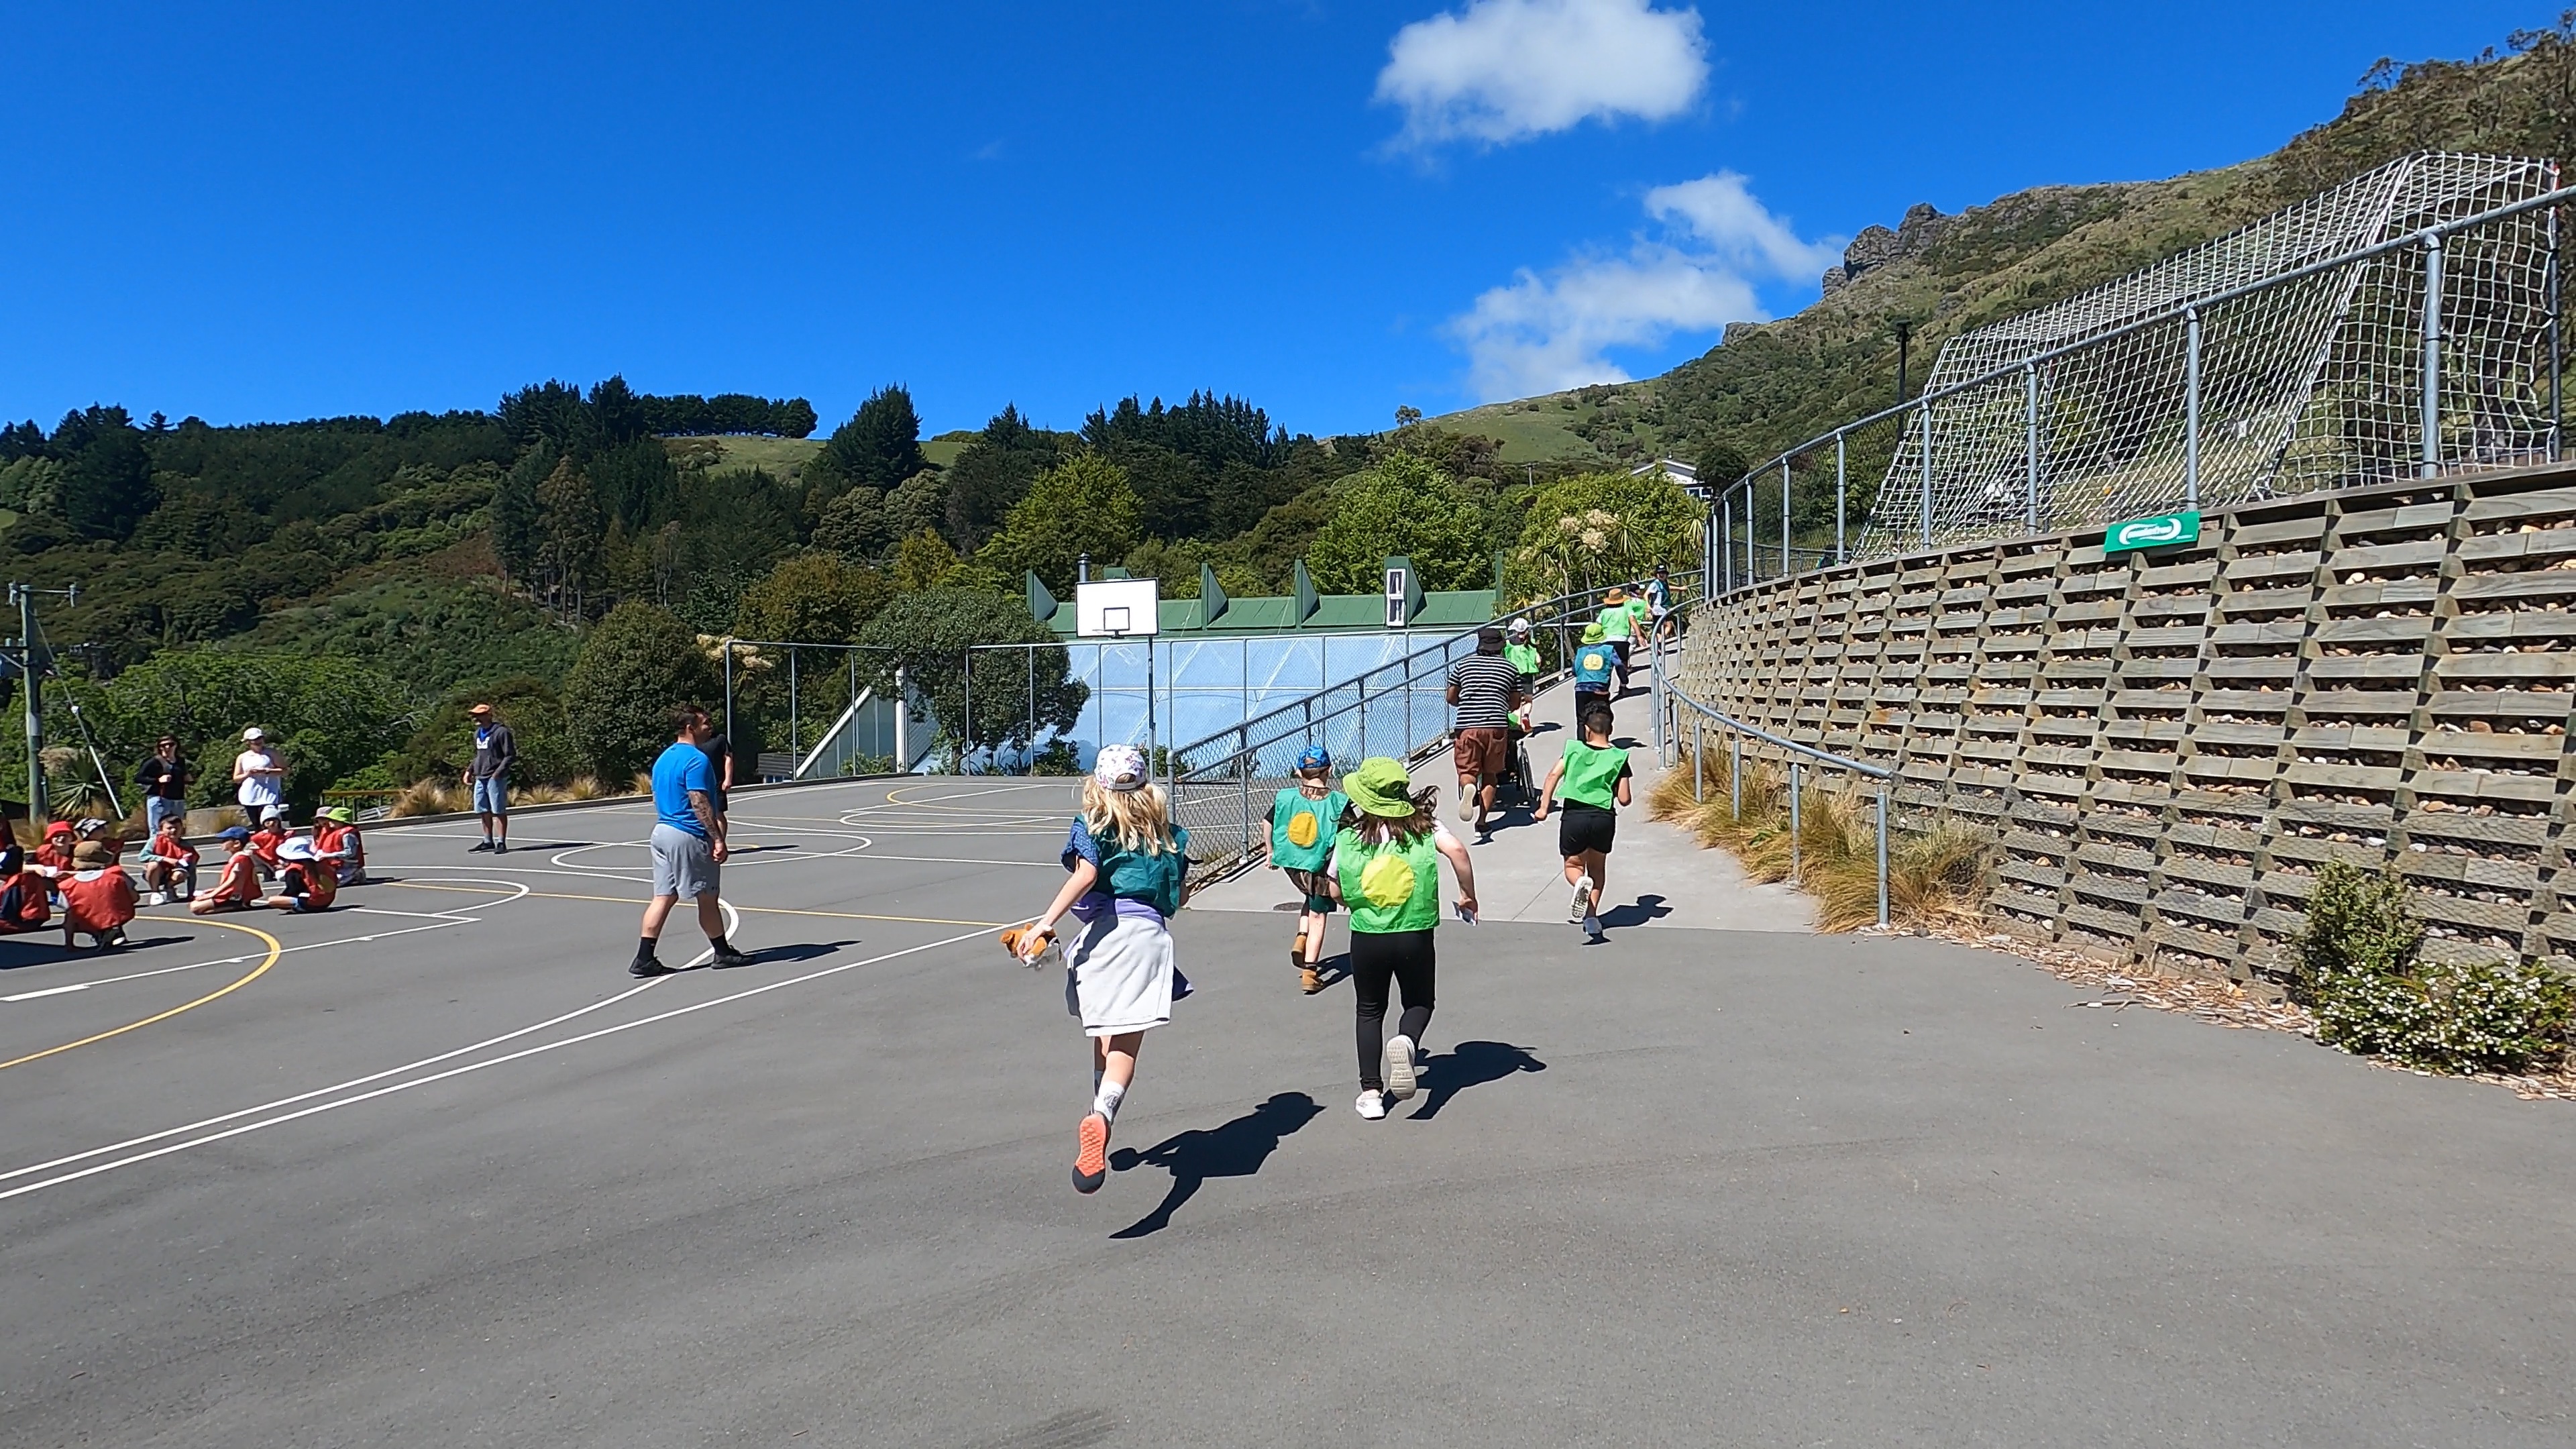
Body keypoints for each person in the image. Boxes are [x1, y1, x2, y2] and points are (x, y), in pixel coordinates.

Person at [1018, 744, 1190, 1195]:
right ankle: (1103, 1115)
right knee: (1126, 1045)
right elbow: (1179, 897)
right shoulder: (1169, 836)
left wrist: (1044, 923)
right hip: (1145, 938)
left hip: (1100, 939)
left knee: (1104, 1032)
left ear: (1098, 785)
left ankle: (1098, 1109)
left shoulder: (1092, 827)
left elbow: (1086, 875)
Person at [1327, 757, 1477, 1121]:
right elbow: (1457, 850)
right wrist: (1467, 894)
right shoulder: (1426, 827)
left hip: (1368, 935)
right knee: (1420, 1001)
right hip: (1415, 932)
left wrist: (1352, 899)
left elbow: (1334, 889)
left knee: (1369, 1010)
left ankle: (1371, 1094)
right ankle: (1407, 1041)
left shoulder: (1349, 837)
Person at [631, 704, 749, 977]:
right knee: (707, 896)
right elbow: (699, 801)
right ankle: (722, 952)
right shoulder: (697, 760)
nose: (710, 727)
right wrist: (717, 839)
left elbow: (657, 796)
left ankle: (644, 957)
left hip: (663, 831)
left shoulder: (664, 759)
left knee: (664, 895)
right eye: (705, 723)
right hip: (688, 834)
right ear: (690, 728)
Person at [1532, 702, 1634, 941]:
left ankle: (1579, 883)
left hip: (1574, 816)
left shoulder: (1573, 750)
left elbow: (1553, 775)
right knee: (1597, 869)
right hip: (1603, 818)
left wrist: (1543, 808)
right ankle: (1591, 918)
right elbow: (1625, 799)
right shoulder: (1619, 757)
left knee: (1573, 865)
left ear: (1587, 729)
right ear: (1611, 729)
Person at [1269, 744, 1346, 996]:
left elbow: (1267, 823)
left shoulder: (1287, 797)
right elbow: (1348, 835)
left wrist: (1270, 851)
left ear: (1299, 772)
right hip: (1321, 865)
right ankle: (1311, 971)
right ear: (1329, 770)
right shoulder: (1338, 802)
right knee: (1319, 916)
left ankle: (1302, 936)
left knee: (1309, 898)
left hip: (1294, 863)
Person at [1444, 626, 1523, 837]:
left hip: (1468, 726)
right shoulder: (1510, 668)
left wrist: (1465, 703)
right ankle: (1482, 823)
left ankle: (1469, 787)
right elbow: (1515, 703)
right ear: (1501, 646)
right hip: (1496, 726)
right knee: (1490, 776)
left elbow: (1451, 697)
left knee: (1467, 772)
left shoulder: (1463, 666)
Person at [58, 839, 137, 949]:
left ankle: (70, 944)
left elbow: (65, 906)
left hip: (86, 921)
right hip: (119, 916)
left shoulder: (67, 885)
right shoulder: (117, 876)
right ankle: (112, 929)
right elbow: (135, 897)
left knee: (70, 914)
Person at [467, 702, 516, 855]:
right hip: (481, 776)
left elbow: (510, 755)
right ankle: (488, 841)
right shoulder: (477, 734)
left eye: (479, 715)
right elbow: (479, 755)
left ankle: (501, 842)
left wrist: (498, 773)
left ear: (488, 715)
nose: (476, 718)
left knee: (498, 810)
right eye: (474, 716)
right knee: (483, 810)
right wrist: (469, 770)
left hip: (495, 777)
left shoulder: (501, 732)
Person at [190, 827, 265, 914]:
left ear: (237, 844)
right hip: (231, 893)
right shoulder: (237, 858)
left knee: (195, 907)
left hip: (234, 896)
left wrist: (212, 894)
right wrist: (213, 890)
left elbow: (232, 880)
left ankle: (236, 904)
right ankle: (231, 905)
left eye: (225, 840)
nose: (221, 843)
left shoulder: (240, 859)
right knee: (196, 904)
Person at [259, 835, 338, 913]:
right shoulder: (318, 864)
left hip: (311, 903)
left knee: (273, 900)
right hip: (327, 901)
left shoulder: (294, 869)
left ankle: (300, 907)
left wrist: (282, 896)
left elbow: (293, 890)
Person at [135, 736, 191, 841]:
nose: (167, 747)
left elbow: (184, 776)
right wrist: (158, 780)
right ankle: (156, 849)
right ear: (159, 747)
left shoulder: (180, 761)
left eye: (171, 744)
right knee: (158, 831)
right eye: (163, 745)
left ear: (176, 745)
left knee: (176, 830)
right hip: (160, 799)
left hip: (178, 800)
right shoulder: (154, 762)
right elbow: (138, 778)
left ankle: (172, 849)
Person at [140, 813, 197, 904]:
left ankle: (169, 888)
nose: (173, 830)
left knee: (181, 874)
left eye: (177, 828)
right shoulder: (155, 841)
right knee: (153, 865)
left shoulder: (187, 847)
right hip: (156, 873)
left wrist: (191, 893)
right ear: (161, 830)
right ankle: (155, 892)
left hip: (173, 873)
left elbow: (192, 871)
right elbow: (142, 856)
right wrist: (165, 859)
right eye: (169, 828)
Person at [233, 727, 284, 824]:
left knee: (271, 823)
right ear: (248, 742)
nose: (258, 741)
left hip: (269, 795)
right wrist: (248, 774)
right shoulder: (243, 757)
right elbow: (236, 779)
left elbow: (284, 770)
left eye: (260, 738)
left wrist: (267, 771)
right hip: (250, 796)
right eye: (254, 740)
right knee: (257, 825)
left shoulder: (271, 753)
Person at [0, 845, 52, 935]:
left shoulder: (15, 882)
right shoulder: (26, 878)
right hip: (33, 919)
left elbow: (7, 913)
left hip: (21, 921)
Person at [311, 805, 366, 886]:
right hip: (336, 865)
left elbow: (350, 853)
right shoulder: (332, 832)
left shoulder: (348, 834)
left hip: (349, 865)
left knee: (334, 883)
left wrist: (327, 855)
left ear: (340, 821)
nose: (330, 822)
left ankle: (356, 873)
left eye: (333, 820)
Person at [1571, 623, 1616, 716]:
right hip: (1600, 687)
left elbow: (1575, 670)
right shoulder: (1608, 650)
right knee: (1603, 716)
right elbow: (1619, 664)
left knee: (1581, 718)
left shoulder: (1580, 651)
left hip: (1581, 688)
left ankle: (1582, 726)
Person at [1597, 588, 1637, 692]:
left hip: (1605, 640)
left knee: (1607, 665)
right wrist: (1640, 635)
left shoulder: (1604, 612)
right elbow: (1633, 620)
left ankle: (1604, 689)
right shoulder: (1626, 609)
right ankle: (1623, 686)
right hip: (1621, 639)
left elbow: (1598, 624)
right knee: (1623, 663)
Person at [247, 814, 288, 882]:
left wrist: (285, 865)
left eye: (274, 822)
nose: (271, 825)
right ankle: (266, 871)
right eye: (268, 822)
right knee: (249, 853)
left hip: (283, 863)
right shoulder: (260, 836)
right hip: (268, 862)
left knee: (282, 877)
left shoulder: (287, 835)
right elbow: (252, 848)